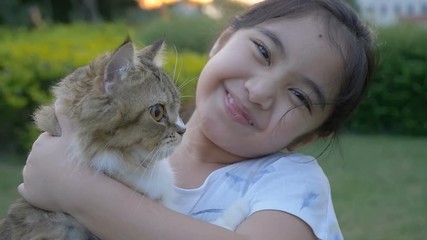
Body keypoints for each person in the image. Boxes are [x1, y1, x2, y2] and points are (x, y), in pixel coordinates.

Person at [18, 0, 376, 239]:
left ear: (309, 136)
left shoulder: (292, 183)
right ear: (221, 42)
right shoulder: (126, 150)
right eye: (263, 52)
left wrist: (78, 191)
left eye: (299, 96)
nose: (260, 91)